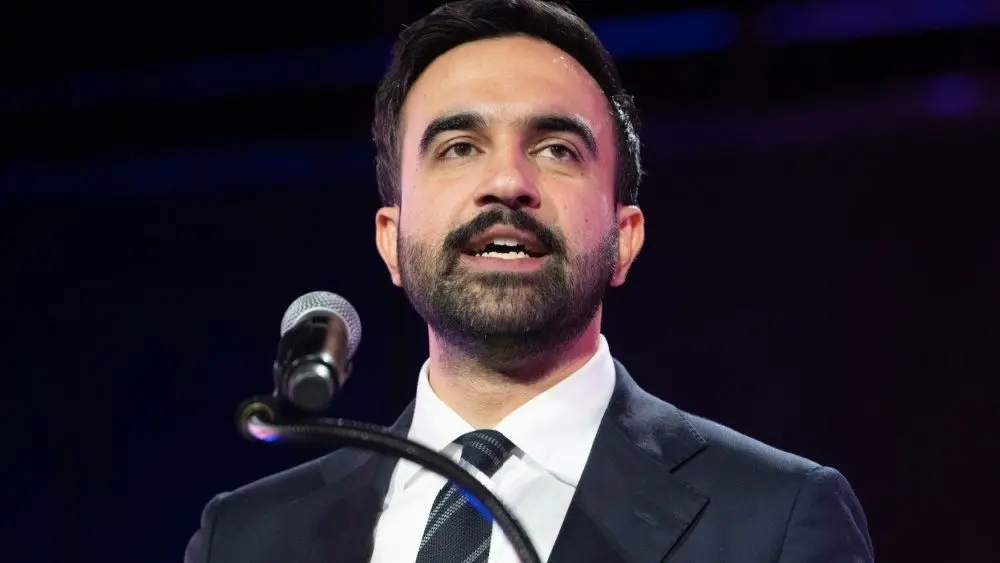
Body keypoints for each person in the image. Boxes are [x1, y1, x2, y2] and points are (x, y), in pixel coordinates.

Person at [184, 1, 874, 561]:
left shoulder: (775, 519)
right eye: (459, 147)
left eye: (555, 149)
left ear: (624, 238)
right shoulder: (247, 538)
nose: (508, 182)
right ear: (390, 240)